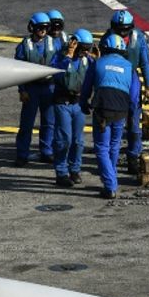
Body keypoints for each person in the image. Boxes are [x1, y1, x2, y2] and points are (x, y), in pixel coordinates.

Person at [81, 34, 141, 199]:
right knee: (114, 145)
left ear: (105, 47)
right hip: (121, 109)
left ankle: (110, 184)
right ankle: (112, 177)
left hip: (102, 108)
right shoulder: (130, 67)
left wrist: (83, 103)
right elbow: (135, 93)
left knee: (101, 147)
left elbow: (86, 87)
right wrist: (131, 110)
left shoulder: (98, 63)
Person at [101, 9, 149, 174]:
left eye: (125, 29)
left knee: (134, 122)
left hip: (131, 80)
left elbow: (145, 63)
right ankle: (110, 159)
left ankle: (133, 157)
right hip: (113, 80)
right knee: (110, 119)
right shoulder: (106, 39)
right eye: (119, 29)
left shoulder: (139, 39)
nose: (122, 33)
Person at [51, 28, 95, 187]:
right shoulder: (61, 56)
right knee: (64, 140)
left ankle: (75, 169)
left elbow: (96, 75)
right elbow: (55, 73)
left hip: (78, 104)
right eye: (82, 48)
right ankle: (61, 172)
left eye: (87, 48)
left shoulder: (87, 60)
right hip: (62, 103)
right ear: (74, 44)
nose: (85, 52)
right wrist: (68, 57)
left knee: (78, 141)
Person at [14, 11, 57, 166]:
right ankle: (22, 154)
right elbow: (17, 69)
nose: (43, 31)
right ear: (32, 27)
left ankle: (47, 151)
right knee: (26, 124)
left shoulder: (54, 44)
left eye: (45, 28)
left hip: (49, 88)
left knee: (49, 122)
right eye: (40, 28)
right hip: (31, 89)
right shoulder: (24, 46)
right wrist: (22, 90)